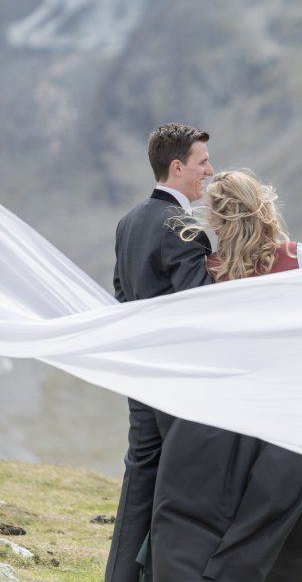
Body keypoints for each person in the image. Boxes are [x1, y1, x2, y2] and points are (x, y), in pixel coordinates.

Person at [145, 170, 302, 582]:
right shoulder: (294, 256)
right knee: (280, 520)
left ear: (218, 219)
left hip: (223, 413)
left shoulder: (208, 270)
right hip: (284, 410)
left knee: (207, 514)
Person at [105, 123, 214, 582]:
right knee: (178, 487)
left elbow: (120, 292)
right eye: (202, 163)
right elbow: (198, 305)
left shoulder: (128, 222)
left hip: (139, 374)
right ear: (177, 167)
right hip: (176, 380)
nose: (209, 171)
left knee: (139, 478)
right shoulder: (183, 227)